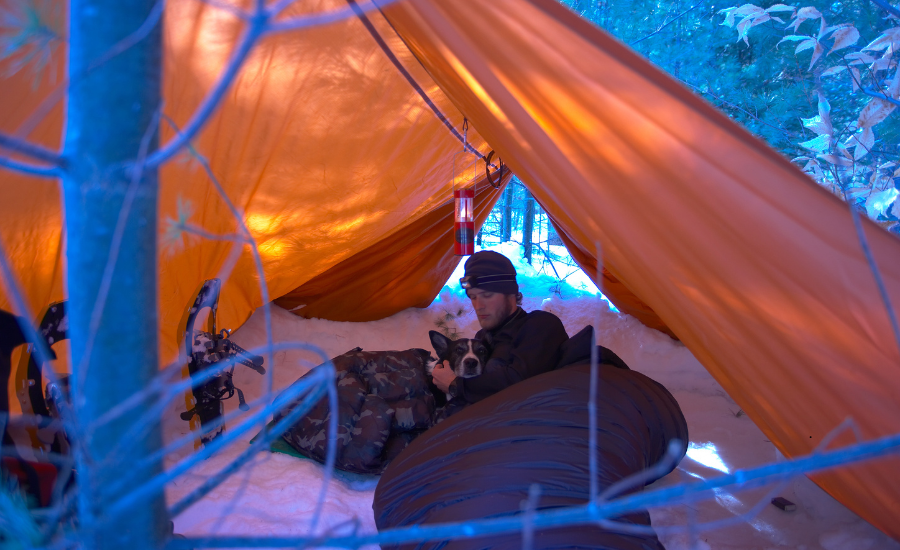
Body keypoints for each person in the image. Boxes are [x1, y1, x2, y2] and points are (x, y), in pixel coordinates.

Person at [431, 250, 569, 404]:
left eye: (487, 295)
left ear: (510, 293)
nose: (478, 306)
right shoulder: (482, 339)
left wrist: (455, 384)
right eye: (473, 297)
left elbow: (519, 383)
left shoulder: (541, 325)